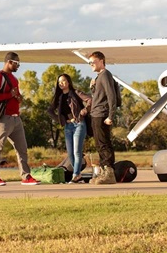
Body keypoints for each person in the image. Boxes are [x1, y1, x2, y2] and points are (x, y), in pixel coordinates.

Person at [0, 52, 40, 187]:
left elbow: (15, 95)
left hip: (16, 118)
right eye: (16, 63)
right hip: (3, 118)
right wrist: (8, 95)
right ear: (9, 62)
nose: (18, 66)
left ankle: (26, 176)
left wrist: (18, 98)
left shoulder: (14, 79)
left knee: (22, 148)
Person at [47, 74, 92, 183]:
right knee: (70, 153)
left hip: (79, 124)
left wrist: (83, 112)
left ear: (68, 82)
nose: (61, 83)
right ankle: (79, 176)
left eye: (63, 81)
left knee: (77, 152)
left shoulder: (76, 93)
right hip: (67, 126)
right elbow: (50, 111)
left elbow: (90, 99)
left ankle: (75, 175)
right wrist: (61, 120)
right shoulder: (59, 97)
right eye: (59, 82)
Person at [87, 51, 118, 184]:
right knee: (99, 144)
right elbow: (100, 96)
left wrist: (110, 115)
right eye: (89, 63)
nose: (91, 65)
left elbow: (111, 96)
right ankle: (104, 171)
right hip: (96, 114)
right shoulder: (100, 76)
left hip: (102, 114)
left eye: (92, 62)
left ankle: (109, 173)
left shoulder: (105, 74)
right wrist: (93, 88)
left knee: (104, 143)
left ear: (101, 61)